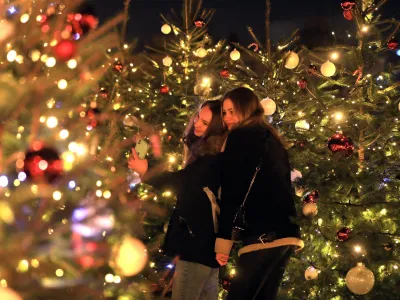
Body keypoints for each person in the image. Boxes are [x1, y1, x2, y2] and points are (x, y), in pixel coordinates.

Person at [128, 100, 226, 300]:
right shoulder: (208, 155)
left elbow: (181, 182)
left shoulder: (210, 160)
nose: (197, 123)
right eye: (198, 116)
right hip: (206, 248)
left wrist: (147, 171)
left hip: (196, 247)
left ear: (215, 128)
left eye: (205, 123)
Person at [214, 87, 304, 300]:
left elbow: (232, 191)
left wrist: (224, 241)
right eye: (224, 112)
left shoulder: (239, 137)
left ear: (245, 110)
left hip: (262, 235)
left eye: (232, 111)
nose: (227, 118)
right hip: (286, 234)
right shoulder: (271, 138)